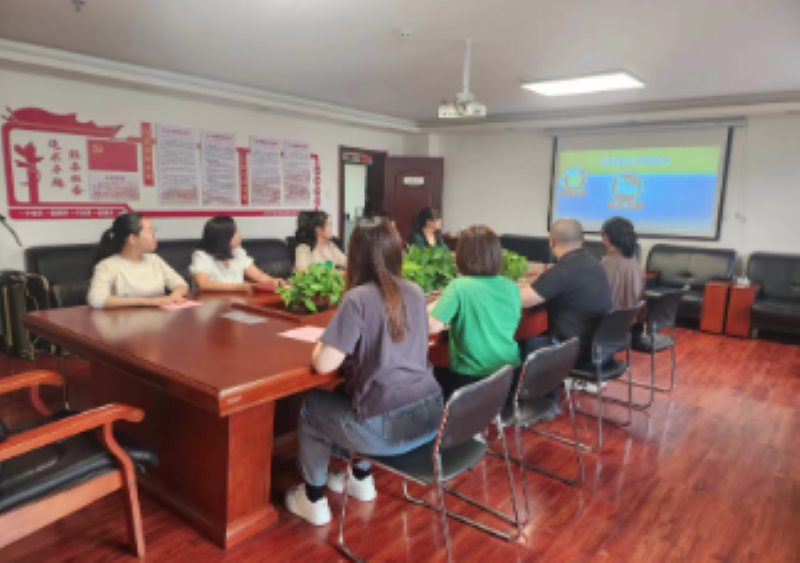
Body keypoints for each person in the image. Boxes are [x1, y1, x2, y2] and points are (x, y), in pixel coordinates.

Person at [285, 217, 443, 526]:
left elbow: (324, 364)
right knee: (351, 394)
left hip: (385, 430)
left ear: (356, 254)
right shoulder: (414, 291)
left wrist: (320, 346)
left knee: (312, 405)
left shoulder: (358, 298)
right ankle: (359, 477)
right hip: (429, 417)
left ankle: (313, 498)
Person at [519, 219, 612, 410]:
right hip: (602, 348)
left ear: (551, 242)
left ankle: (541, 401)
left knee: (524, 340)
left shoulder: (561, 272)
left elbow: (522, 300)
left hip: (575, 351)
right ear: (583, 239)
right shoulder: (596, 265)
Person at [428, 225, 521, 399]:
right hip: (509, 375)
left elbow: (432, 327)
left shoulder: (459, 286)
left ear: (461, 256)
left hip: (471, 380)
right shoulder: (511, 286)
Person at [87, 213, 189, 309]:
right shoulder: (107, 266)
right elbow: (96, 299)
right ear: (133, 239)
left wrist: (174, 297)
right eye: (150, 232)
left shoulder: (155, 260)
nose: (155, 237)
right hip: (124, 320)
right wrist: (148, 302)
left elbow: (181, 284)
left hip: (159, 318)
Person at [190, 215, 285, 293]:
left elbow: (258, 275)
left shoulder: (238, 252)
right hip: (211, 303)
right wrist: (238, 287)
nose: (239, 235)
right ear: (224, 238)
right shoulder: (201, 256)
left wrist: (272, 281)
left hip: (237, 300)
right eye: (235, 233)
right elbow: (203, 284)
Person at [601, 216, 645, 337]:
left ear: (606, 238)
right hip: (633, 327)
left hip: (609, 329)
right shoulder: (634, 261)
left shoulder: (605, 264)